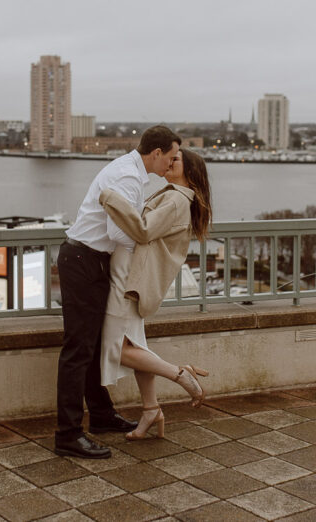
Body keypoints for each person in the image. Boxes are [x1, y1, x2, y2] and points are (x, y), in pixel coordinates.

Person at [54, 125, 182, 459]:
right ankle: (67, 435)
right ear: (155, 153)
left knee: (92, 346)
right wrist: (147, 240)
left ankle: (100, 416)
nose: (171, 164)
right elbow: (119, 230)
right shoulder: (127, 178)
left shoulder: (132, 174)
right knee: (78, 349)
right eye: (169, 157)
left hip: (90, 260)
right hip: (84, 260)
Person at [98, 148, 213, 440]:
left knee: (117, 349)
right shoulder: (174, 195)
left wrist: (110, 198)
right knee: (136, 347)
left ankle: (178, 373)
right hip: (135, 280)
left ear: (189, 171)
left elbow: (144, 231)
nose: (168, 162)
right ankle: (151, 409)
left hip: (131, 281)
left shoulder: (175, 198)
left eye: (176, 160)